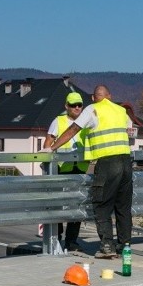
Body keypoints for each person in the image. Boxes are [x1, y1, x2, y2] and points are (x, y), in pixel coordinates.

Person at [44, 85, 133, 259]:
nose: (77, 107)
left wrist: (53, 148)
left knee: (102, 205)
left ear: (93, 98)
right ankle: (124, 247)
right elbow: (130, 131)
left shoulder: (92, 110)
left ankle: (107, 246)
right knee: (123, 207)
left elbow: (73, 130)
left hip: (107, 163)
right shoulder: (120, 110)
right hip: (126, 161)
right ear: (109, 96)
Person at [43, 91, 90, 252]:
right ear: (66, 106)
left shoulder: (86, 122)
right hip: (62, 168)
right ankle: (57, 238)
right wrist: (46, 161)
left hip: (80, 168)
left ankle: (71, 241)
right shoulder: (59, 121)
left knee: (77, 205)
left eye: (79, 105)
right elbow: (48, 142)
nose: (77, 108)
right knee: (58, 204)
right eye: (73, 105)